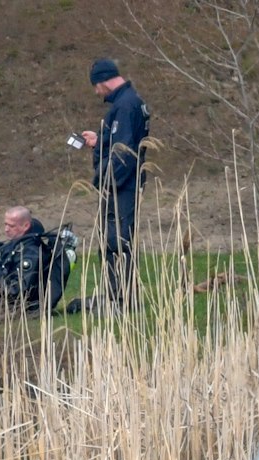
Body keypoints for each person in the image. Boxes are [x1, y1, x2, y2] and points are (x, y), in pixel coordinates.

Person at [80, 57, 149, 312]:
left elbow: (124, 153)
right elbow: (122, 141)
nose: (96, 92)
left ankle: (122, 300)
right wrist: (100, 141)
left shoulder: (125, 106)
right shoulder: (129, 103)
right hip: (125, 185)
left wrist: (104, 179)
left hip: (121, 187)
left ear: (104, 81)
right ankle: (117, 296)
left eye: (96, 86)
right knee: (116, 240)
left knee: (116, 242)